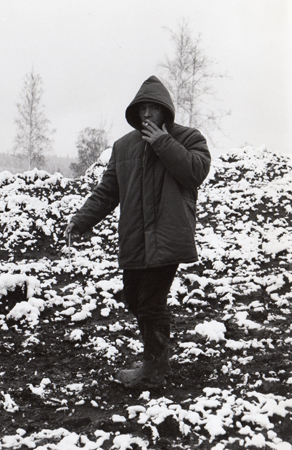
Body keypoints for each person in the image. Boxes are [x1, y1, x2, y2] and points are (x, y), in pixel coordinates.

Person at [65, 75, 211, 388]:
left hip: (167, 237)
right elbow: (108, 191)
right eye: (142, 108)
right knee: (134, 299)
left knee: (151, 303)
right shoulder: (123, 147)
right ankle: (155, 359)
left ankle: (153, 371)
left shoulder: (188, 138)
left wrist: (163, 143)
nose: (146, 114)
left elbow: (195, 172)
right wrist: (81, 220)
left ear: (165, 111)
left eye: (153, 108)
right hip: (134, 237)